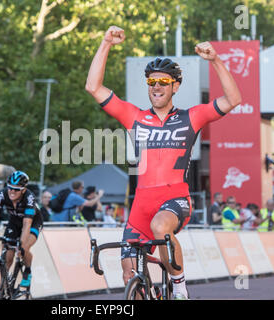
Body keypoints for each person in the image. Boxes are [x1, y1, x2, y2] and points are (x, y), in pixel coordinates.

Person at [85, 26, 241, 300]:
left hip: (174, 199)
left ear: (175, 86)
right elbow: (93, 87)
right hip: (141, 202)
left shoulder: (190, 117)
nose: (156, 86)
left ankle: (179, 287)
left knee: (160, 227)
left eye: (163, 82)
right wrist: (105, 42)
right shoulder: (134, 116)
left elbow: (233, 100)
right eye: (151, 82)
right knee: (128, 274)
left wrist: (215, 60)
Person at [0, 171, 43, 289]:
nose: (12, 191)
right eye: (10, 188)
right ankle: (2, 289)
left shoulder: (29, 197)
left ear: (23, 189)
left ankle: (27, 272)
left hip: (33, 222)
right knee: (7, 257)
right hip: (15, 221)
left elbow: (27, 224)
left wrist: (21, 245)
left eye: (16, 189)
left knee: (25, 247)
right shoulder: (2, 194)